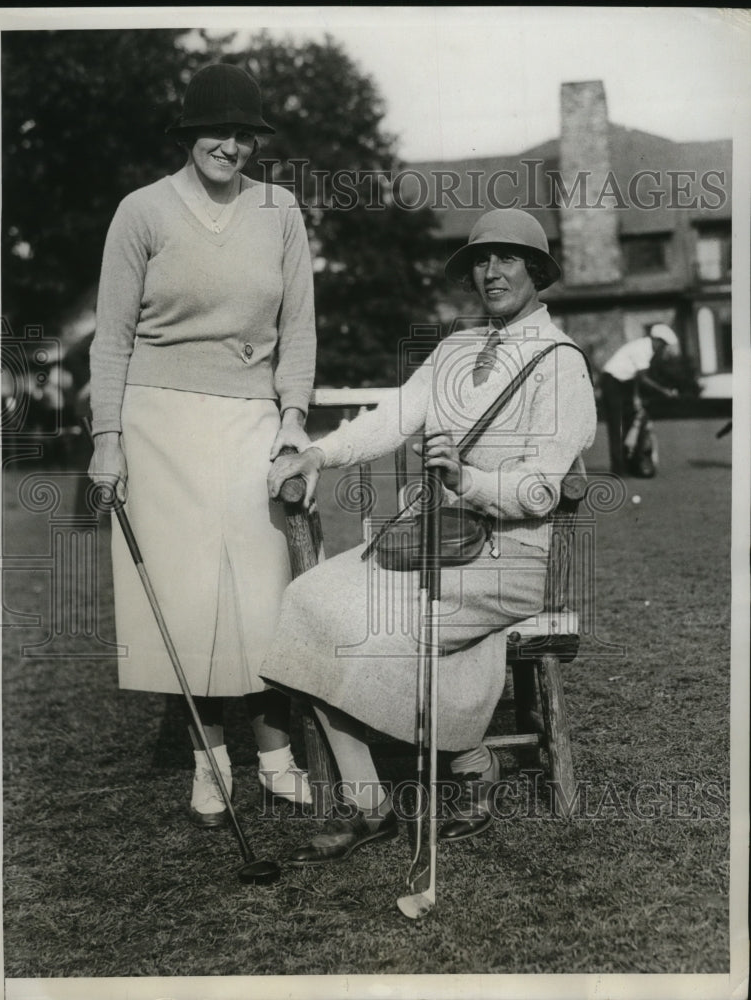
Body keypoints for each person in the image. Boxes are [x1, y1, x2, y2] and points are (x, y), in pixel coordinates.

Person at [262, 208, 597, 864]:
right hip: (430, 541)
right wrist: (318, 457)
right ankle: (369, 805)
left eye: (506, 258)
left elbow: (541, 488)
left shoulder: (562, 364)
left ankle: (470, 763)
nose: (490, 271)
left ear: (537, 271)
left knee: (372, 623)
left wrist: (466, 479)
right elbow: (390, 420)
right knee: (307, 601)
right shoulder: (454, 349)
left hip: (509, 558)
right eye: (479, 260)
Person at [88, 62, 316, 826]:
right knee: (187, 600)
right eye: (217, 131)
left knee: (263, 589)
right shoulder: (141, 212)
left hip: (251, 414)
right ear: (188, 136)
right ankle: (209, 761)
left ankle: (276, 754)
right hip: (158, 422)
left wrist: (292, 417)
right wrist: (107, 440)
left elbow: (299, 329)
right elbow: (111, 339)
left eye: (246, 133)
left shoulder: (280, 209)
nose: (233, 146)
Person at [600, 324, 680, 475]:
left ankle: (632, 465)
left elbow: (635, 378)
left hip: (624, 384)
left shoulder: (647, 349)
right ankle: (618, 469)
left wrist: (635, 397)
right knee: (617, 426)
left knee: (631, 423)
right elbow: (642, 378)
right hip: (612, 383)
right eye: (663, 344)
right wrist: (664, 391)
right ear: (656, 340)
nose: (663, 348)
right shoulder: (642, 349)